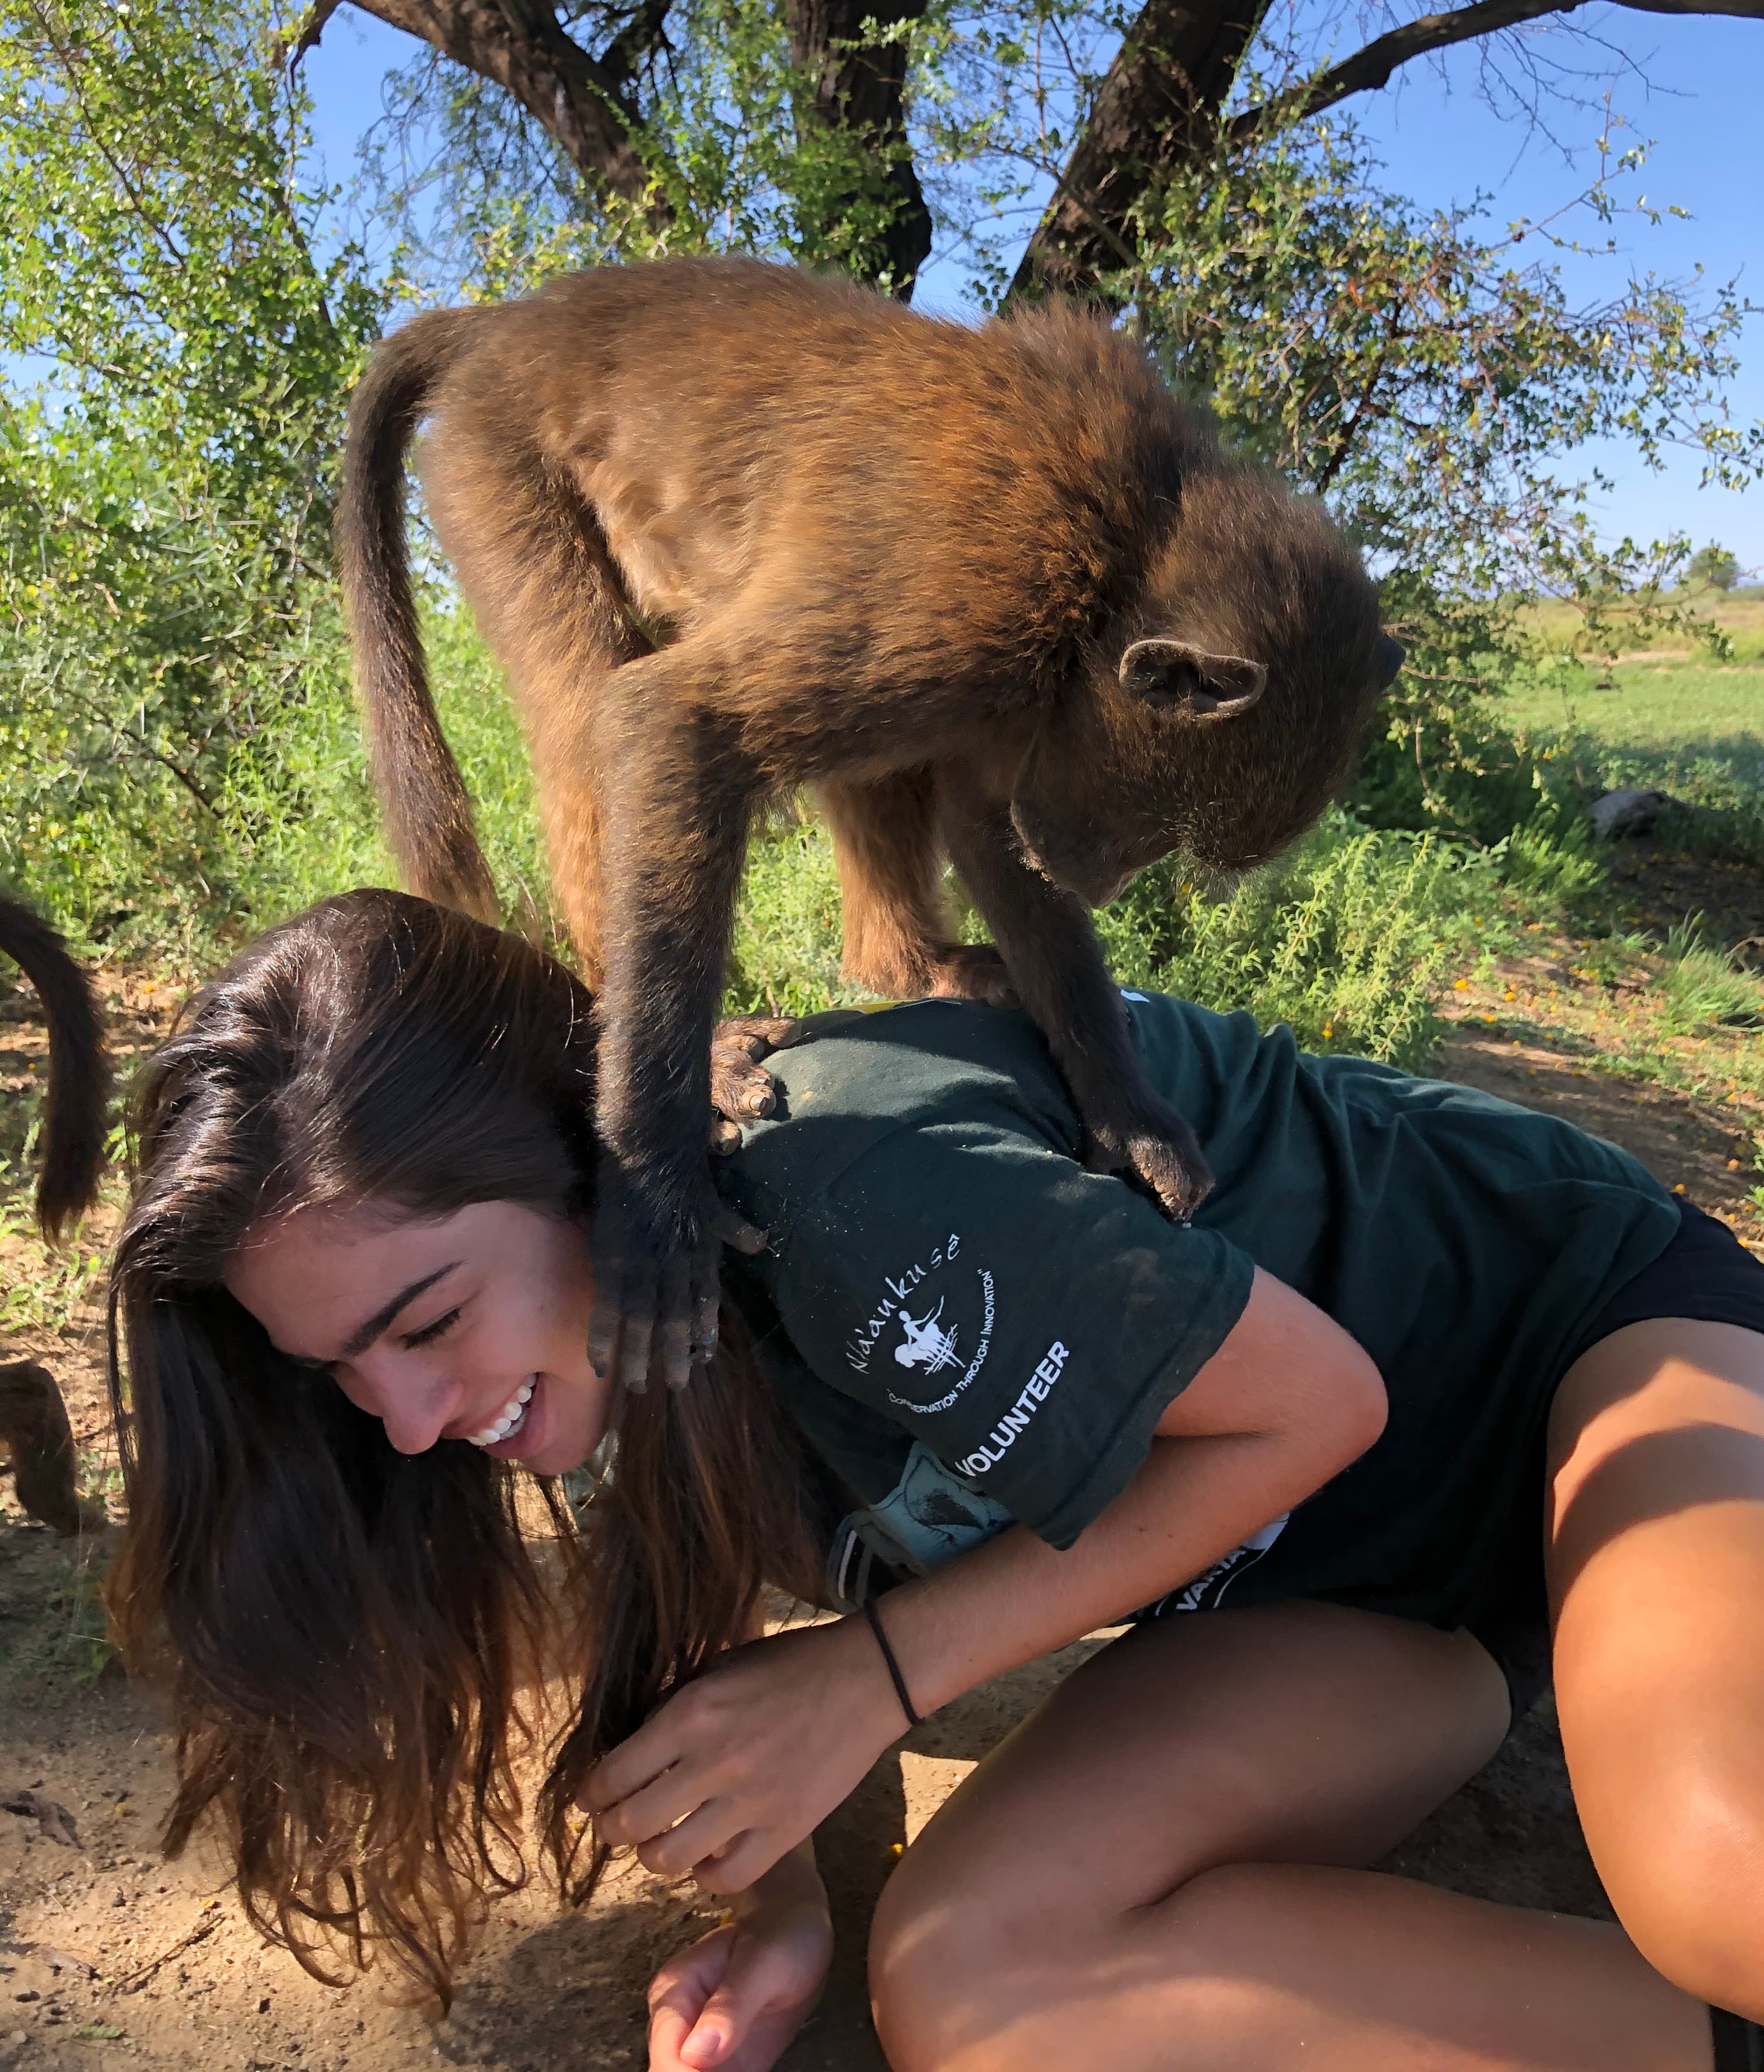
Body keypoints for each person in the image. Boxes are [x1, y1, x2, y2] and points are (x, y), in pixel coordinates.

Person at [104, 886, 1764, 2072]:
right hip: (1360, 1591)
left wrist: (878, 1675)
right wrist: (778, 1907)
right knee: (978, 1986)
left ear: (583, 1153)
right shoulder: (587, 1375)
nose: (399, 1419)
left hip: (1580, 1349)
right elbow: (694, 1646)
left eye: (423, 1322)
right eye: (341, 1373)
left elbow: (1318, 1404)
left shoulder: (840, 1184)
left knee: (1719, 1858)